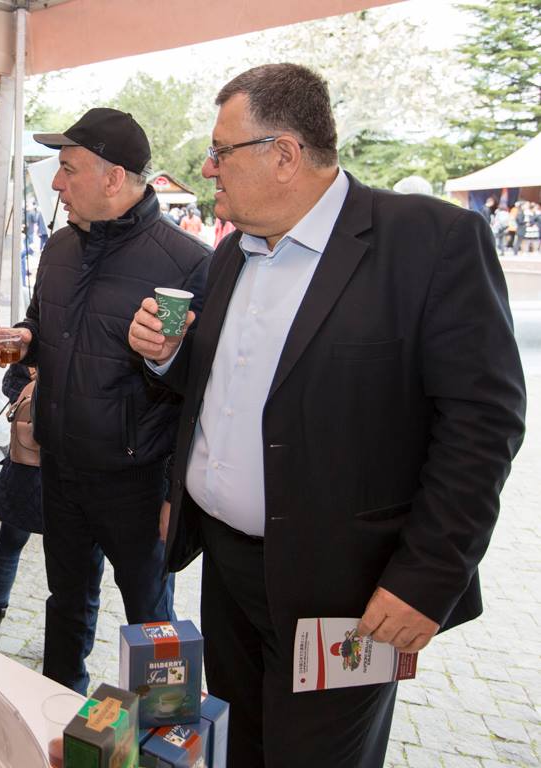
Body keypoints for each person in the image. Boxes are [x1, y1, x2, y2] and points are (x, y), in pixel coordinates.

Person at [128, 63, 526, 768]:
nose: (208, 168)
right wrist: (167, 360)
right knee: (243, 746)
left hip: (348, 591)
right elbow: (226, 389)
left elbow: (481, 426)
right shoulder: (233, 254)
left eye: (221, 152)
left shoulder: (429, 242)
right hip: (228, 569)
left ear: (283, 154)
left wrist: (424, 579)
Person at [0, 107, 210, 694]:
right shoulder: (61, 246)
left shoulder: (187, 263)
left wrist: (177, 492)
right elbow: (45, 325)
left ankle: (166, 726)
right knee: (65, 602)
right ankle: (61, 710)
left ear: (113, 178)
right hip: (60, 468)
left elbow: (199, 391)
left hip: (138, 482)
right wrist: (25, 338)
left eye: (68, 169)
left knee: (151, 616)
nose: (57, 183)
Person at [0, 364, 103, 648]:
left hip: (41, 464)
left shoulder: (42, 342)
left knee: (19, 545)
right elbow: (13, 381)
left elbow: (13, 382)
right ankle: (76, 641)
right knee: (81, 559)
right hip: (60, 464)